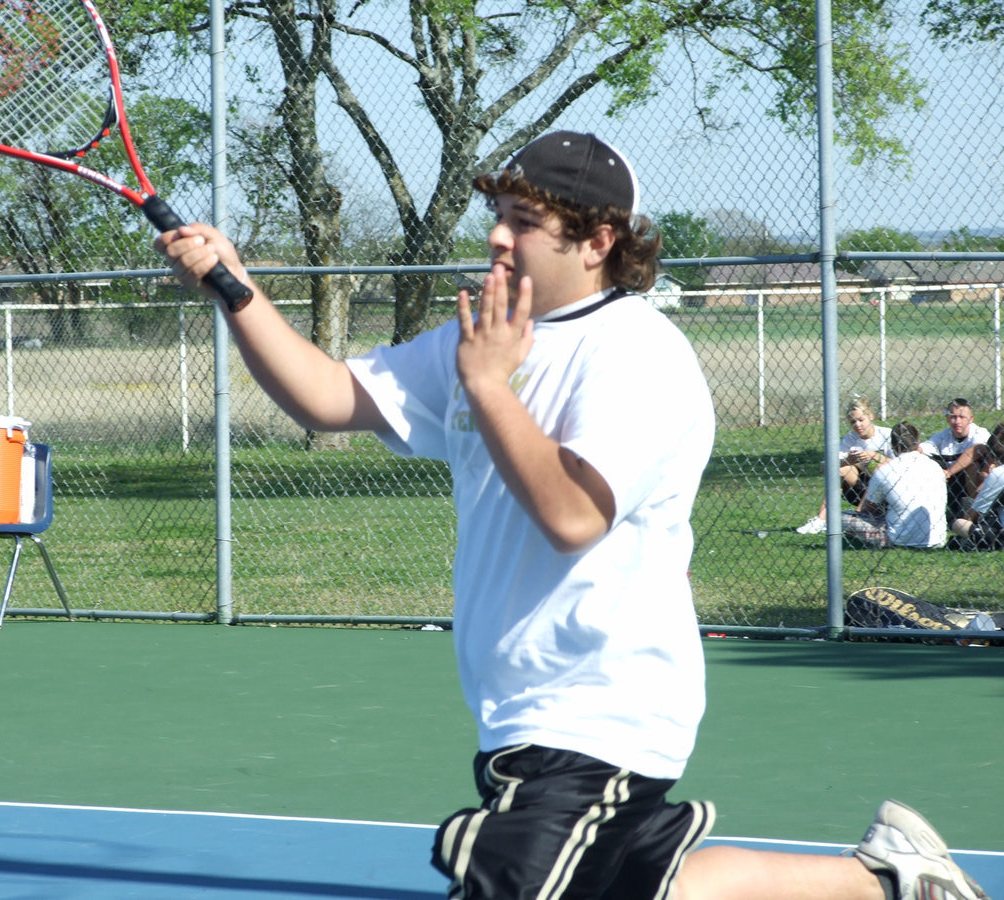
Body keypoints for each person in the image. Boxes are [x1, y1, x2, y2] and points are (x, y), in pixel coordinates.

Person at [156, 131, 987, 900]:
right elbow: (328, 397)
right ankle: (890, 880)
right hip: (517, 706)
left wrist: (487, 387)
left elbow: (574, 515)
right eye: (498, 217)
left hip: (602, 705)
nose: (497, 238)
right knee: (651, 887)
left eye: (525, 222)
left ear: (598, 242)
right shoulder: (477, 342)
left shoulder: (637, 354)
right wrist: (236, 289)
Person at [842, 422, 948, 549]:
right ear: (918, 442)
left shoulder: (886, 470)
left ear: (892, 446)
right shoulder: (935, 466)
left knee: (840, 517)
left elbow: (869, 510)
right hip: (937, 538)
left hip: (897, 539)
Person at [796, 396, 893, 534]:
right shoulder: (850, 438)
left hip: (886, 489)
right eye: (853, 422)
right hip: (859, 488)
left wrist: (876, 456)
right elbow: (825, 467)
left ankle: (860, 517)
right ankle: (821, 520)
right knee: (840, 469)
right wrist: (848, 461)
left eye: (861, 420)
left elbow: (903, 464)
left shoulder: (886, 435)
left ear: (871, 416)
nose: (857, 425)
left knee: (879, 468)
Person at [919, 398, 990, 522]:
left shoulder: (980, 433)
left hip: (973, 483)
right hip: (951, 484)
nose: (957, 421)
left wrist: (948, 472)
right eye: (953, 417)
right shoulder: (943, 436)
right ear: (947, 418)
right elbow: (923, 449)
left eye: (962, 417)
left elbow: (976, 450)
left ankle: (974, 512)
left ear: (971, 419)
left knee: (972, 466)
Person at [950, 423, 1004, 550]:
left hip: (1000, 535)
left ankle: (974, 541)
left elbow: (973, 513)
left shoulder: (999, 473)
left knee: (958, 524)